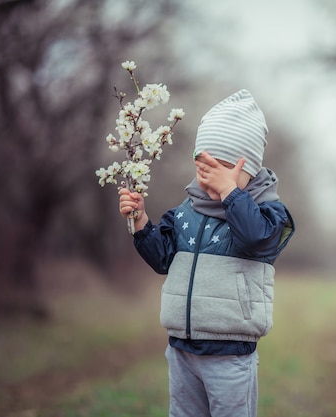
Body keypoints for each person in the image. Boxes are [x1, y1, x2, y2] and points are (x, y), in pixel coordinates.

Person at [118, 89, 295, 417]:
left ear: (250, 168)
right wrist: (141, 222)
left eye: (223, 167)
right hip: (182, 349)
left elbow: (256, 240)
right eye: (204, 166)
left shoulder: (268, 212)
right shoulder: (187, 211)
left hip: (230, 353)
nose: (211, 177)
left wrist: (230, 193)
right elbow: (163, 259)